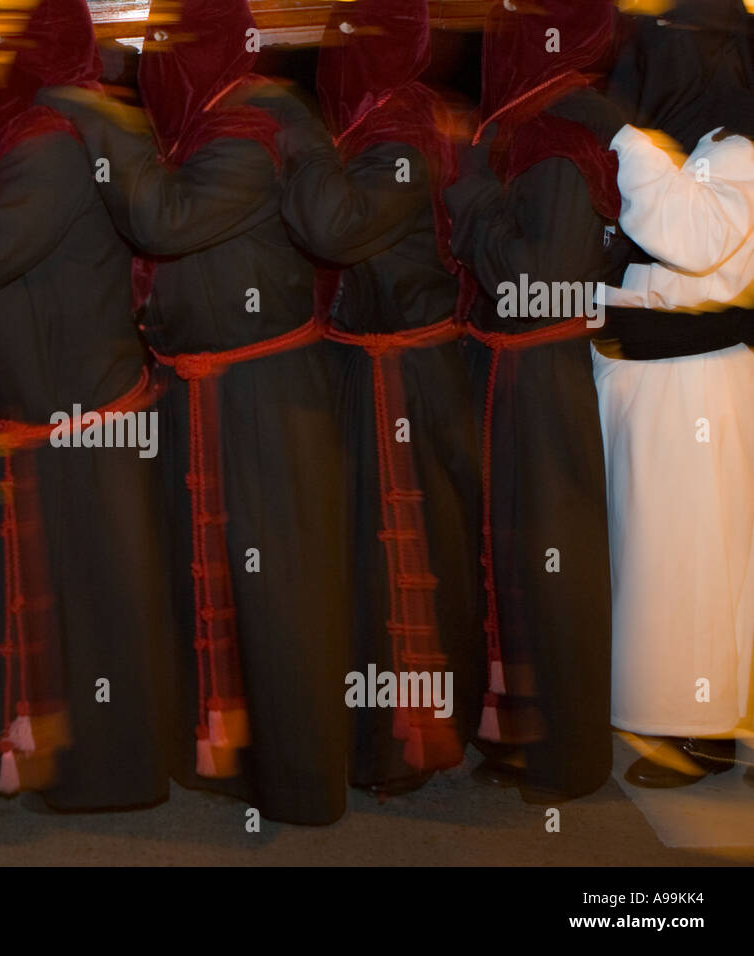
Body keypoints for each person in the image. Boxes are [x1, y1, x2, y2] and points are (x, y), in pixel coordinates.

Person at [40, 0, 351, 825]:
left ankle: (299, 785)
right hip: (201, 387)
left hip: (260, 394)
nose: (155, 63)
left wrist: (99, 118)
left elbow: (164, 220)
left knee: (276, 591)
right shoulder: (210, 118)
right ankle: (229, 756)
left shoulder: (254, 121)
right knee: (208, 575)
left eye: (170, 46)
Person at [0, 0, 176, 809]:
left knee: (88, 594)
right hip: (60, 404)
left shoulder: (50, 140)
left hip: (74, 409)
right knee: (62, 584)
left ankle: (107, 773)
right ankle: (47, 748)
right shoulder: (52, 130)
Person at [272, 0, 482, 797]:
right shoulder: (389, 123)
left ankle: (408, 746)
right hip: (372, 367)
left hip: (408, 379)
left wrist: (295, 139)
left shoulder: (401, 133)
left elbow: (335, 228)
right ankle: (376, 734)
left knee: (409, 555)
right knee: (373, 554)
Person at [445, 0, 627, 802]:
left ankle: (566, 754)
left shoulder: (562, 134)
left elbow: (534, 284)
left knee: (553, 565)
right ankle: (520, 730)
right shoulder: (537, 121)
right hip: (516, 370)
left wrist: (473, 192)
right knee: (515, 555)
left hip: (540, 371)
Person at [589, 0, 754, 788]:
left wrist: (623, 135)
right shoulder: (689, 143)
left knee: (689, 561)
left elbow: (694, 244)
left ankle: (705, 728)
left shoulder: (736, 146)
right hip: (648, 377)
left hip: (692, 386)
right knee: (653, 556)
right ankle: (674, 710)